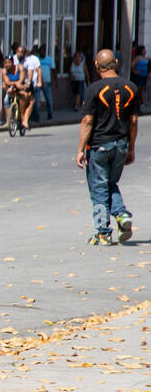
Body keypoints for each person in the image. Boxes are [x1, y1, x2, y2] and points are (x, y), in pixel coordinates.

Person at [76, 48, 138, 245]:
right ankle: (121, 214)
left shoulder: (94, 89)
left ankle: (103, 232)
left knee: (99, 188)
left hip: (99, 146)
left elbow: (87, 120)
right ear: (116, 64)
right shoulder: (131, 87)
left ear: (96, 66)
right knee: (110, 184)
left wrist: (80, 149)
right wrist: (131, 148)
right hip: (120, 145)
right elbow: (134, 121)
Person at [23, 44, 43, 126]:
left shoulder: (34, 59)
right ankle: (26, 118)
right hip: (23, 83)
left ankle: (36, 118)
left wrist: (40, 81)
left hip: (33, 83)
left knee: (34, 101)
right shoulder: (22, 59)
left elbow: (38, 70)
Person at [36, 44, 55, 122]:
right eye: (40, 51)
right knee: (36, 100)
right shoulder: (37, 59)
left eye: (42, 51)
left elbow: (54, 70)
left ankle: (50, 113)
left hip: (47, 82)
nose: (41, 52)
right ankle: (36, 116)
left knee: (48, 99)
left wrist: (55, 81)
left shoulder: (49, 59)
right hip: (38, 82)